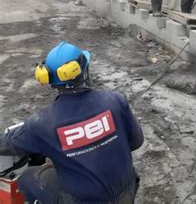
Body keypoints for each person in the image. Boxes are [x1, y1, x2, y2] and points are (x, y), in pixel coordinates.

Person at [0, 42, 144, 203]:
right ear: (83, 71)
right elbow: (136, 142)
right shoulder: (116, 100)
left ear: (47, 78)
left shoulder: (41, 124)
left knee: (27, 178)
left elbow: (5, 143)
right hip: (127, 191)